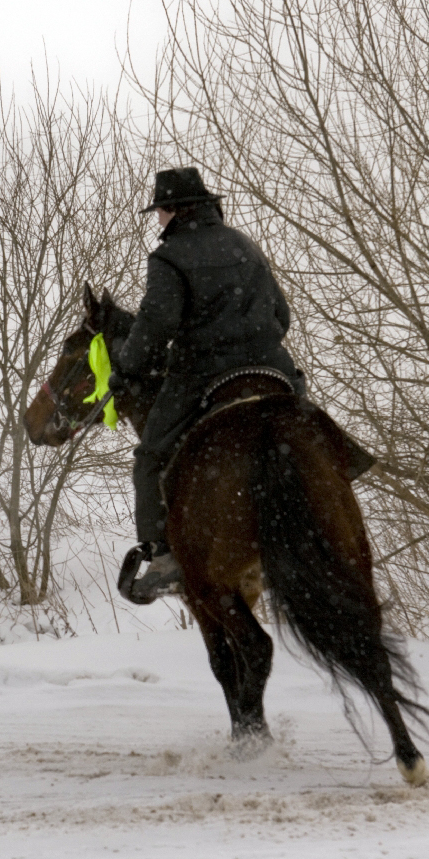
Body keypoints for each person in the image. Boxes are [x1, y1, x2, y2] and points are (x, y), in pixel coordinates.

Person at [109, 167, 305, 602]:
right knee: (308, 431)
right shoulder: (245, 245)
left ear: (171, 209)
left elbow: (157, 324)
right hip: (273, 366)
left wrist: (127, 367)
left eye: (159, 211)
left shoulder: (169, 257)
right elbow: (283, 317)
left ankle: (163, 558)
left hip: (203, 372)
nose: (158, 220)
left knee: (151, 457)